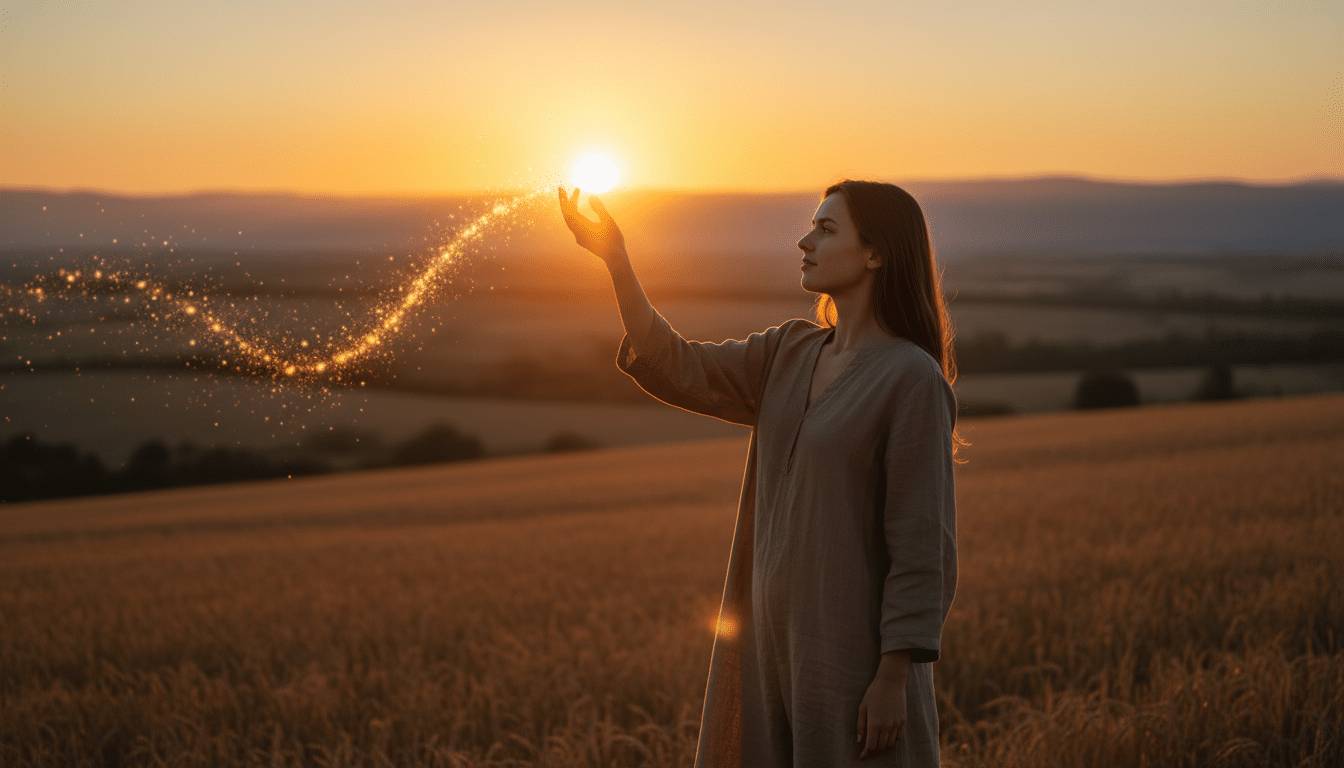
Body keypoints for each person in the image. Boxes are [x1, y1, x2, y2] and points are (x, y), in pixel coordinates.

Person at [557, 180, 958, 767]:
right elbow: (678, 366)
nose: (803, 242)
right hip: (764, 649)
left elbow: (922, 544)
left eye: (826, 229)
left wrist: (894, 678)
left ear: (875, 253)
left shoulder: (911, 378)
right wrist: (616, 260)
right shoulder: (787, 352)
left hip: (847, 655)